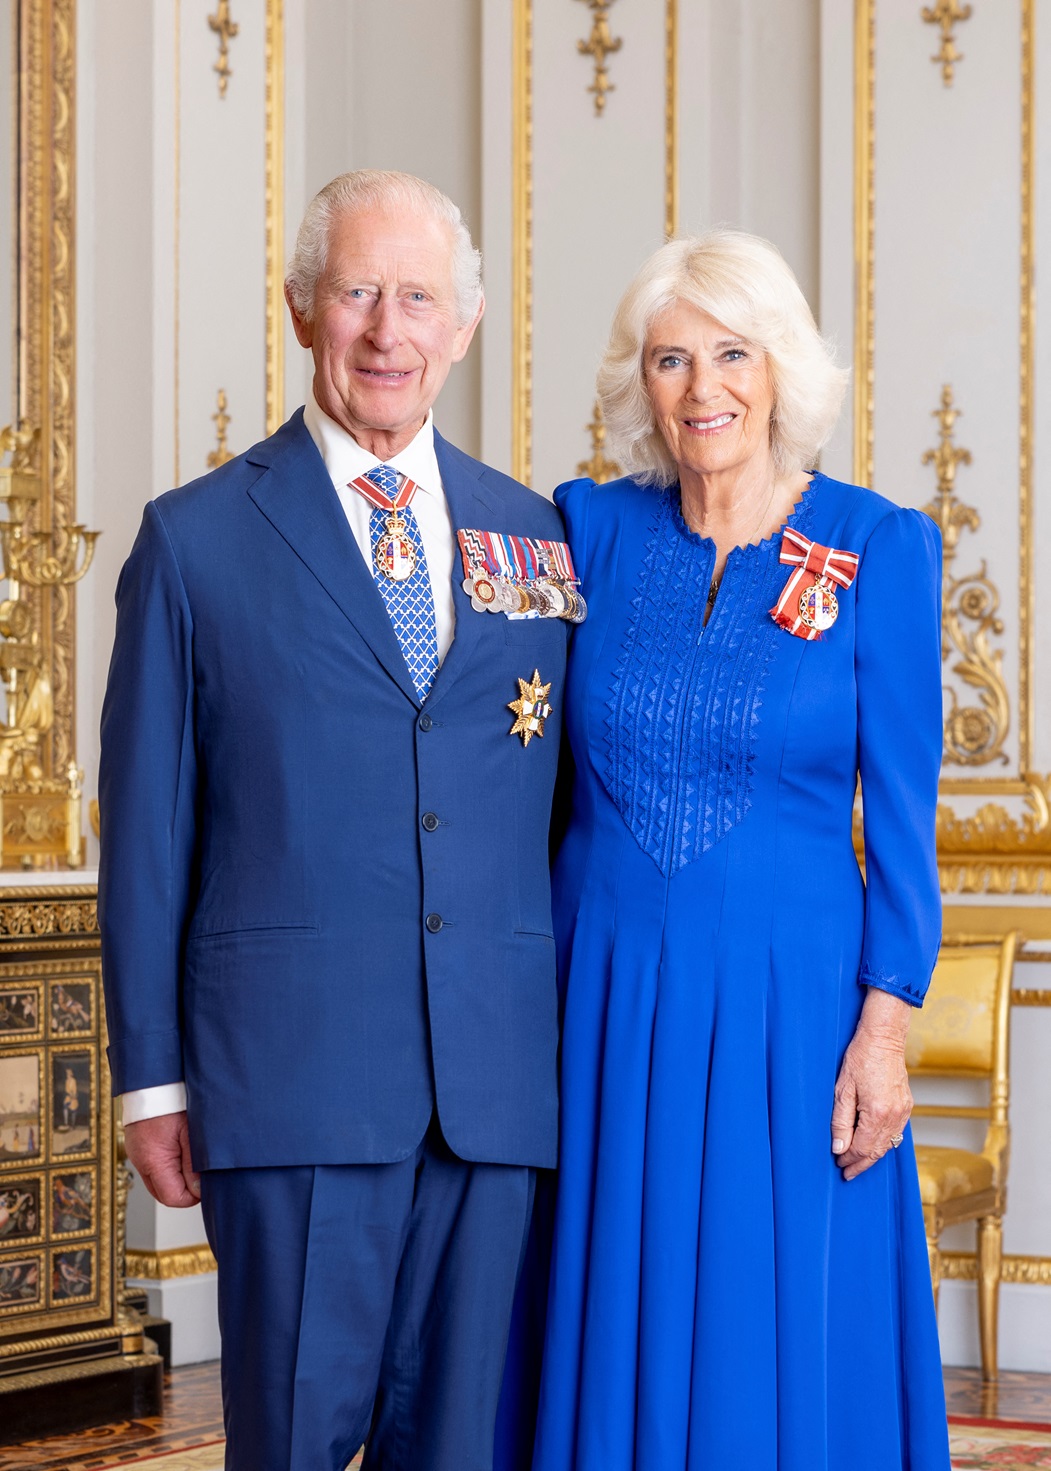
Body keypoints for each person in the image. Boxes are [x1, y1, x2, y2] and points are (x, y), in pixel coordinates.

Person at [99, 170, 577, 1471]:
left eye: (417, 297)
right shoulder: (195, 542)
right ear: (304, 308)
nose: (386, 329)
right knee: (295, 1442)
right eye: (359, 292)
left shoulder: (535, 536)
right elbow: (145, 834)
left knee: (464, 1449)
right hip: (292, 1085)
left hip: (491, 1094)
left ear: (462, 324)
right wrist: (152, 1078)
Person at [518, 230, 951, 1470]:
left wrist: (884, 1026)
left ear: (780, 370)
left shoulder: (878, 547)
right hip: (597, 996)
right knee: (605, 1283)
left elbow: (905, 823)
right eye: (669, 358)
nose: (701, 388)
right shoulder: (584, 531)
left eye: (729, 353)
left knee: (777, 1309)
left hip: (792, 1007)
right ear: (637, 382)